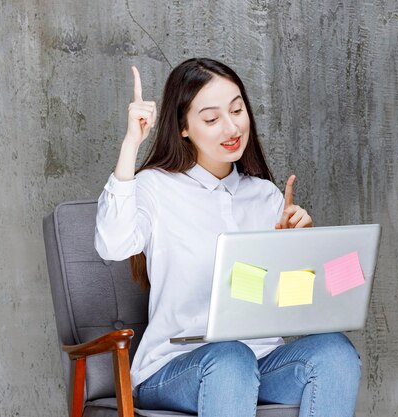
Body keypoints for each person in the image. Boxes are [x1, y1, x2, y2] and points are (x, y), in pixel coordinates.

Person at [94, 58, 361, 417]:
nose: (231, 127)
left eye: (237, 110)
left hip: (262, 362)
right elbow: (112, 244)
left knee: (336, 354)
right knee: (230, 358)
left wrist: (301, 252)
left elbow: (290, 303)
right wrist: (131, 144)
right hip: (176, 367)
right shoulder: (156, 187)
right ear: (183, 127)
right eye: (211, 119)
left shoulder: (266, 196)